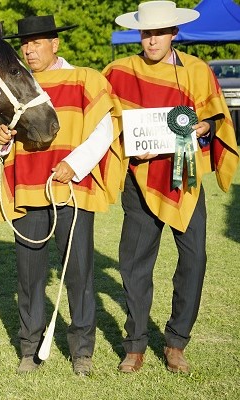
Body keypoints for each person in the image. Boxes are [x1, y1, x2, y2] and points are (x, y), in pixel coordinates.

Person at [103, 1, 239, 374]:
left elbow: (215, 118)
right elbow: (103, 121)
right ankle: (135, 346)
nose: (152, 40)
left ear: (173, 33)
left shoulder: (197, 70)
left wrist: (203, 128)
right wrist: (129, 146)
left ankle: (176, 343)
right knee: (133, 265)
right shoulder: (118, 72)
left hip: (185, 178)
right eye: (147, 33)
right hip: (139, 180)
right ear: (140, 34)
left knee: (194, 261)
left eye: (159, 33)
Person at [0, 15, 121, 376]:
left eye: (38, 42)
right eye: (25, 44)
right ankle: (29, 347)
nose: (29, 50)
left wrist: (75, 165)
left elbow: (104, 130)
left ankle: (82, 350)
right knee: (29, 276)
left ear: (55, 44)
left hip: (71, 189)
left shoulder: (84, 80)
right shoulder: (11, 85)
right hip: (27, 190)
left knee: (78, 273)